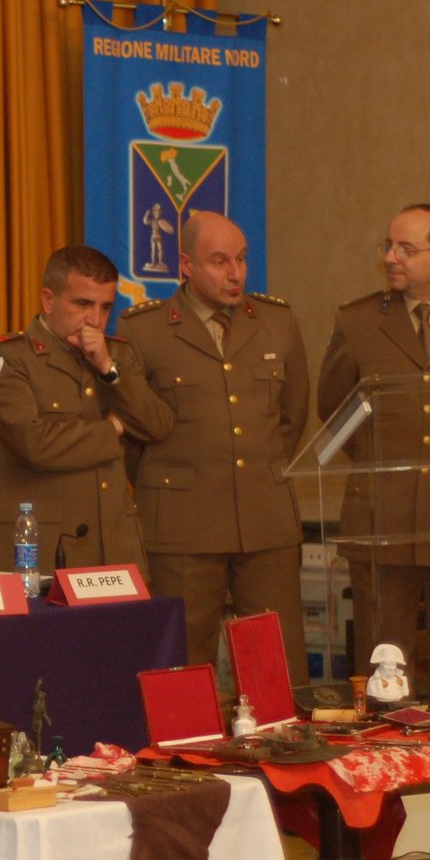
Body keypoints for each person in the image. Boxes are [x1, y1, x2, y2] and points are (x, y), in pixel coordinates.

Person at [118, 211, 310, 681]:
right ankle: (183, 755)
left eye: (241, 259)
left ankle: (282, 751)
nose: (236, 273)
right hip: (184, 522)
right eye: (220, 261)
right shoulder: (142, 329)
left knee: (274, 662)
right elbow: (134, 434)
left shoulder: (276, 321)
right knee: (183, 658)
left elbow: (292, 416)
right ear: (185, 264)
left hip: (265, 520)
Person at [318, 202, 430, 698]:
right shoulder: (359, 321)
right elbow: (334, 413)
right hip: (381, 519)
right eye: (388, 245)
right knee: (385, 669)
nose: (392, 257)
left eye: (407, 248)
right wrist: (383, 469)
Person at [0, 245, 172, 575]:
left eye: (105, 307)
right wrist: (111, 429)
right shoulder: (9, 358)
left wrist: (108, 369)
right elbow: (35, 444)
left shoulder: (115, 356)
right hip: (44, 550)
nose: (94, 320)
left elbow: (157, 425)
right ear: (49, 300)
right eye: (82, 304)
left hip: (116, 545)